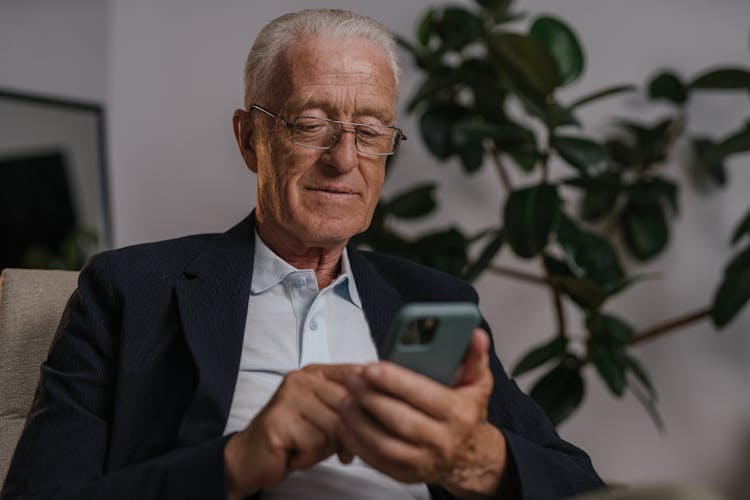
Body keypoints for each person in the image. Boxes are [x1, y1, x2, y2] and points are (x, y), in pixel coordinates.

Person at [1, 9, 604, 500]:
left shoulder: (435, 301)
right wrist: (237, 462)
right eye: (310, 123)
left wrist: (475, 458)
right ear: (249, 140)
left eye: (370, 132)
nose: (344, 159)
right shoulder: (131, 289)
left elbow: (580, 484)